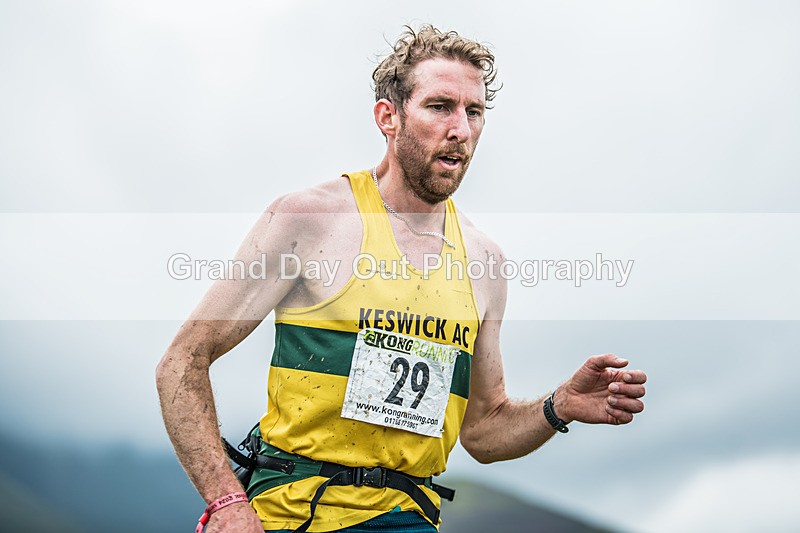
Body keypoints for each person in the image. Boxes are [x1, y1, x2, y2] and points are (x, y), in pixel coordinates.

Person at [156, 24, 647, 533]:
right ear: (387, 117)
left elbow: (482, 432)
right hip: (293, 511)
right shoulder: (309, 220)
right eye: (440, 106)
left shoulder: (485, 262)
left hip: (407, 519)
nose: (461, 128)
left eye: (474, 112)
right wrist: (225, 504)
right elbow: (181, 362)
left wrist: (559, 404)